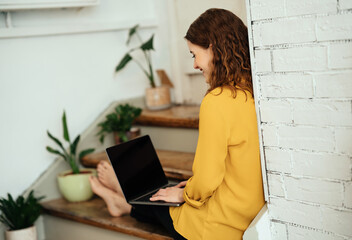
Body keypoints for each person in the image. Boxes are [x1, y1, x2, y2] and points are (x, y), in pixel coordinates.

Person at [89, 8, 265, 240]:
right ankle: (122, 203)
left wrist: (186, 194)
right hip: (249, 215)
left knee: (161, 200)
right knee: (173, 191)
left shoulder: (218, 101)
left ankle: (121, 198)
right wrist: (190, 188)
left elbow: (208, 178)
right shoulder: (255, 92)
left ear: (213, 47)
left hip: (218, 227)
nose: (194, 65)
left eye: (194, 54)